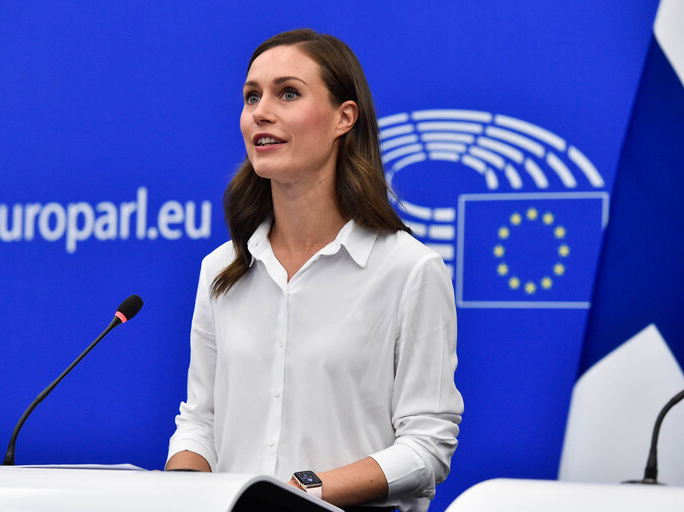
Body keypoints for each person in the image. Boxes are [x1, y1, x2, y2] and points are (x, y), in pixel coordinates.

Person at [166, 29, 463, 512]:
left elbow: (426, 446)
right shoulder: (221, 269)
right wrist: (179, 492)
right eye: (251, 96)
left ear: (344, 117)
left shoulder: (408, 269)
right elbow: (200, 422)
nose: (260, 111)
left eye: (288, 93)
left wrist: (299, 493)